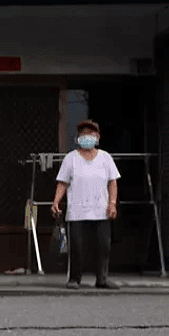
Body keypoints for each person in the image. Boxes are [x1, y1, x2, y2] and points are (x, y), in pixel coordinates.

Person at [51, 119, 121, 290]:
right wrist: (56, 201)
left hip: (101, 211)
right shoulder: (71, 159)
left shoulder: (105, 158)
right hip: (77, 211)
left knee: (103, 246)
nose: (87, 137)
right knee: (77, 247)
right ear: (78, 138)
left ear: (97, 137)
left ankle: (102, 279)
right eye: (83, 134)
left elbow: (112, 182)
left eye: (90, 134)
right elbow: (63, 182)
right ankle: (74, 279)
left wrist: (112, 204)